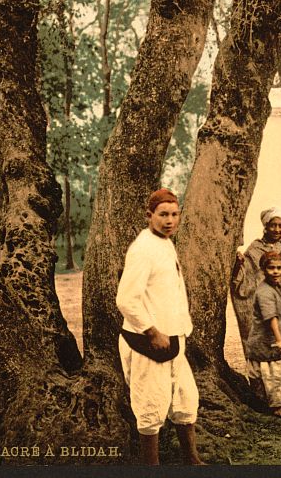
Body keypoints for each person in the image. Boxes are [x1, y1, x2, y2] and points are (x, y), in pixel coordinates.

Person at [115, 187, 204, 466]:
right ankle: (150, 465)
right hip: (148, 342)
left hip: (174, 337)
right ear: (149, 215)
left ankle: (191, 458)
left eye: (175, 214)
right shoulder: (142, 248)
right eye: (163, 214)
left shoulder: (166, 243)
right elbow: (126, 299)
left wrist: (175, 330)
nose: (170, 220)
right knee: (150, 405)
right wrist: (152, 331)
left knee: (185, 399)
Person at [230, 207, 281, 388]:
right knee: (266, 345)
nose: (277, 229)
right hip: (265, 306)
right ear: (265, 226)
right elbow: (246, 280)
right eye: (273, 225)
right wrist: (239, 264)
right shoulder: (255, 249)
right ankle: (264, 389)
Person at [244, 251, 281, 417]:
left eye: (279, 268)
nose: (276, 271)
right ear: (264, 270)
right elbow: (270, 317)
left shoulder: (276, 287)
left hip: (270, 340)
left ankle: (270, 402)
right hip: (265, 341)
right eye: (271, 268)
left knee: (273, 374)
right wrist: (280, 341)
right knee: (271, 375)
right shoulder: (264, 291)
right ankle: (274, 406)